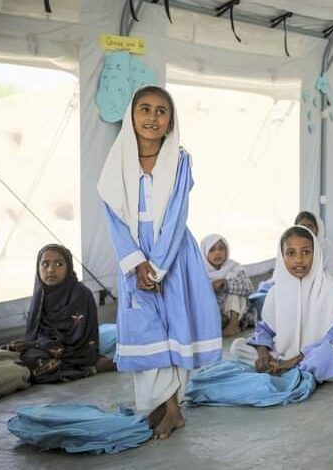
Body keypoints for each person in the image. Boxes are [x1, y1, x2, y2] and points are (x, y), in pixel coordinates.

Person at [98, 86, 222, 439]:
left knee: (175, 328)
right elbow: (114, 217)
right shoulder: (116, 160)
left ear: (170, 122)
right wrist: (137, 263)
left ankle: (173, 409)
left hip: (173, 255)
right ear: (132, 116)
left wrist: (159, 265)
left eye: (161, 111)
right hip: (134, 256)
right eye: (144, 109)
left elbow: (177, 214)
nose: (152, 117)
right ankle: (156, 405)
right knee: (146, 332)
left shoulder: (180, 160)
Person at [229, 226, 333, 383]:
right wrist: (262, 351)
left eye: (306, 252)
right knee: (237, 347)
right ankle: (287, 367)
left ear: (316, 255)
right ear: (282, 256)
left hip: (314, 355)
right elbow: (265, 328)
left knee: (330, 358)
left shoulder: (328, 289)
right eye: (291, 253)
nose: (299, 259)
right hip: (283, 354)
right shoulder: (276, 291)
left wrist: (298, 358)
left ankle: (288, 367)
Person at [6, 244, 111, 383]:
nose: (50, 270)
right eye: (45, 264)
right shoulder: (41, 293)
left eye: (59, 264)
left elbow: (79, 342)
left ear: (69, 267)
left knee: (30, 362)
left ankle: (88, 367)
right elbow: (34, 335)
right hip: (42, 349)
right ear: (38, 268)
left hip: (73, 353)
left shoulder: (81, 294)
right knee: (11, 353)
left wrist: (39, 346)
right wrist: (31, 344)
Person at [200, 234, 254, 337]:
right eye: (212, 250)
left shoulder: (234, 267)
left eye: (221, 248)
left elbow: (249, 287)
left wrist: (227, 283)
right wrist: (210, 288)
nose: (217, 252)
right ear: (204, 253)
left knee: (232, 278)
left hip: (238, 314)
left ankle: (233, 325)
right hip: (215, 315)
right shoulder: (201, 271)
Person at [294, 211, 333, 292]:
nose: (307, 230)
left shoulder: (327, 247)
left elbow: (331, 274)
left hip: (323, 286)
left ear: (318, 230)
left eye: (310, 226)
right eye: (302, 226)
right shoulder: (290, 246)